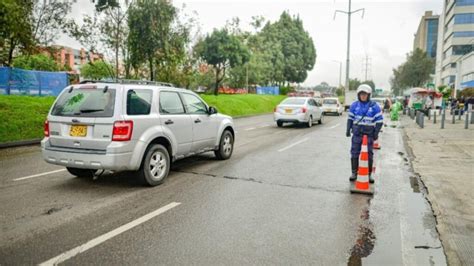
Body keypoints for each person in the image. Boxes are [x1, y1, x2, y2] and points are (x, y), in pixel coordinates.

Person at [346, 84, 383, 183]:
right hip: (357, 134)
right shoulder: (354, 105)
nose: (363, 96)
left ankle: (369, 174)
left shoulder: (374, 106)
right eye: (361, 94)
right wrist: (348, 129)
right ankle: (354, 172)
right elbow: (350, 119)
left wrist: (376, 133)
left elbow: (379, 121)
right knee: (354, 152)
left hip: (369, 135)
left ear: (368, 95)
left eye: (365, 94)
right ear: (358, 94)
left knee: (369, 154)